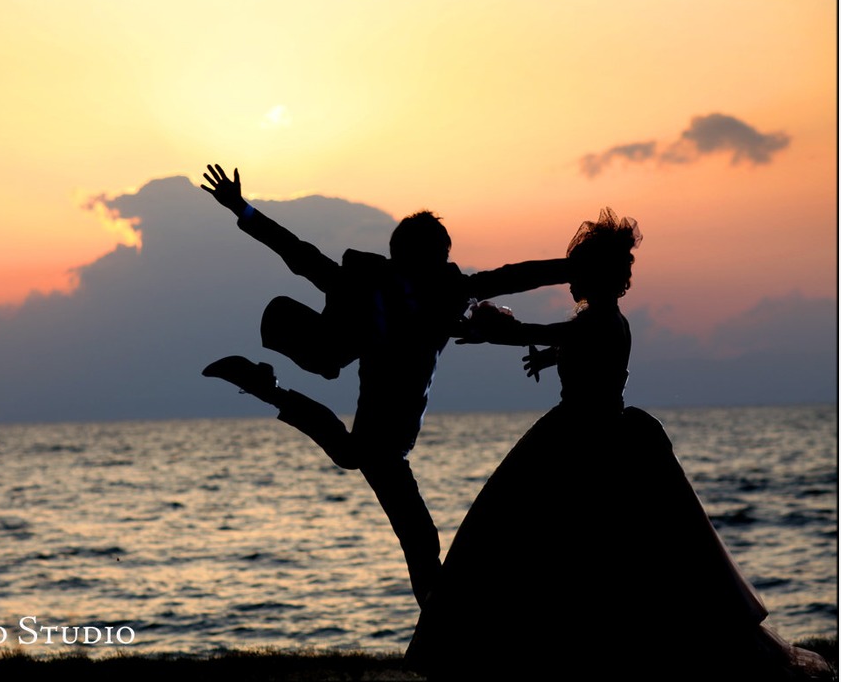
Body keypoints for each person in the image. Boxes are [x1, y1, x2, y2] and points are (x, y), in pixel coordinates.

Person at [405, 208, 831, 681]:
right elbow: (570, 342)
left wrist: (506, 333)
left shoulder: (599, 323)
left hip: (589, 439)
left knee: (545, 540)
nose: (572, 280)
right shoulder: (603, 321)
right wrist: (547, 357)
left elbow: (553, 333)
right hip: (599, 433)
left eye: (579, 271)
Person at [199, 163, 570, 609]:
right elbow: (298, 253)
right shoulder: (386, 288)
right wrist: (243, 209)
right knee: (414, 530)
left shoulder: (443, 293)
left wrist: (572, 267)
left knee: (360, 466)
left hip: (386, 438)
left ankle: (268, 387)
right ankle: (439, 632)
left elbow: (515, 276)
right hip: (385, 440)